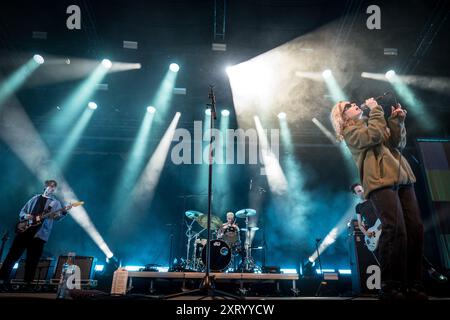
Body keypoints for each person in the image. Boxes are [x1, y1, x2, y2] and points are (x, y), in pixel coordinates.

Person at [331, 98, 426, 300]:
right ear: (342, 117)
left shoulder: (376, 122)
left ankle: (413, 284)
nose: (353, 105)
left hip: (402, 178)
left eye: (352, 103)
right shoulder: (351, 132)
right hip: (379, 182)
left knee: (415, 229)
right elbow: (373, 136)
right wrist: (376, 111)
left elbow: (398, 143)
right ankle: (391, 285)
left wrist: (397, 121)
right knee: (395, 229)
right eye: (347, 107)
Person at [0, 180, 71, 289]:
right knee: (12, 256)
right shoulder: (34, 198)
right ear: (45, 187)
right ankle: (2, 280)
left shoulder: (55, 203)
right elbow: (22, 212)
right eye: (50, 186)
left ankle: (27, 284)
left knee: (32, 261)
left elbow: (56, 217)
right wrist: (25, 216)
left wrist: (64, 212)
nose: (52, 189)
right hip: (24, 231)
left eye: (54, 188)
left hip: (39, 235)